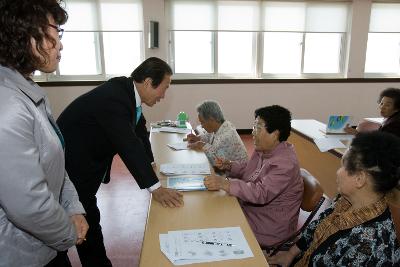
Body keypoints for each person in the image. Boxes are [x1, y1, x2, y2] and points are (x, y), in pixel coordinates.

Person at [57, 57, 184, 266]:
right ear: (148, 82)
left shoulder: (126, 94)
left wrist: (151, 164)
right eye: (165, 87)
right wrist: (156, 188)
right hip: (71, 169)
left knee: (87, 218)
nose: (164, 95)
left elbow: (139, 133)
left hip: (84, 164)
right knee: (80, 222)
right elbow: (128, 145)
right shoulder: (114, 98)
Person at [0, 1, 88, 266]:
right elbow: (28, 205)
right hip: (20, 254)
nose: (60, 44)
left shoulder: (27, 88)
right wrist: (67, 233)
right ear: (21, 32)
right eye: (55, 33)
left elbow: (55, 163)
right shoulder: (8, 105)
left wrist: (73, 207)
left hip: (43, 245)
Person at [268, 131, 400, 266]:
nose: (338, 172)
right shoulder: (345, 200)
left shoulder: (369, 245)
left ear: (359, 179)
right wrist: (290, 254)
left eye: (343, 166)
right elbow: (317, 226)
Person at [204, 105, 303, 248]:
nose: (253, 132)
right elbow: (249, 170)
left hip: (269, 226)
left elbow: (260, 193)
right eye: (254, 126)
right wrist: (229, 166)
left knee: (216, 223)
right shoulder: (264, 148)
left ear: (275, 134)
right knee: (213, 212)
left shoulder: (285, 164)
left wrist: (225, 183)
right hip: (254, 211)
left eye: (258, 128)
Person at [185, 100, 248, 165]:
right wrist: (197, 138)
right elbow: (208, 136)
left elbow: (217, 161)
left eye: (202, 122)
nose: (202, 126)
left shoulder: (226, 136)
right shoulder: (220, 126)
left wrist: (202, 145)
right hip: (225, 168)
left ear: (211, 119)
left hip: (235, 173)